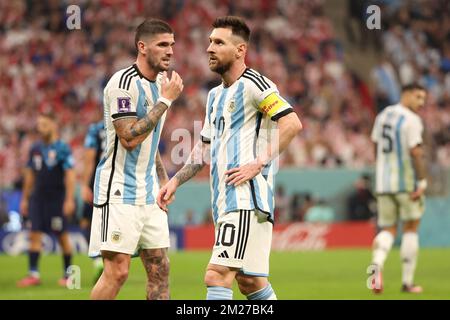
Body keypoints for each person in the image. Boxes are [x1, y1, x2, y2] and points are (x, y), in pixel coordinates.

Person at [157, 16, 302, 300]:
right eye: (210, 41)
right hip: (225, 202)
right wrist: (175, 181)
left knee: (217, 275)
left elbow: (292, 124)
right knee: (251, 282)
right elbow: (204, 150)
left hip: (245, 200)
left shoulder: (256, 85)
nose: (210, 48)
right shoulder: (214, 96)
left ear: (240, 50)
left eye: (219, 42)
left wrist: (258, 162)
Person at [88, 18, 183, 300]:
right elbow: (129, 139)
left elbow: (149, 144)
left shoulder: (160, 86)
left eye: (172, 45)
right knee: (117, 272)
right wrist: (164, 102)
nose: (170, 51)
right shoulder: (122, 82)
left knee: (160, 269)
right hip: (118, 191)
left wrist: (163, 181)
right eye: (162, 45)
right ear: (142, 47)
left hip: (149, 192)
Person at [369, 83, 427, 294]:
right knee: (411, 228)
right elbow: (416, 152)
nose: (421, 103)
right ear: (406, 94)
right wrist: (421, 181)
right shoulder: (412, 120)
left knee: (388, 229)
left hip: (384, 184)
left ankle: (376, 264)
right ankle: (407, 283)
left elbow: (375, 144)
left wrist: (381, 169)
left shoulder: (383, 115)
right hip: (406, 183)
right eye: (418, 97)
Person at [17, 111, 76, 287]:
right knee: (34, 234)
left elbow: (70, 175)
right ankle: (33, 274)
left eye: (44, 124)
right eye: (39, 125)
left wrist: (70, 199)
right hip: (37, 199)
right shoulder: (35, 148)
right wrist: (25, 199)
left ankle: (69, 276)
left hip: (56, 200)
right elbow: (30, 175)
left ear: (53, 125)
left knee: (62, 237)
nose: (40, 128)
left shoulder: (62, 148)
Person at [80, 117, 105, 283]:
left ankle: (97, 260)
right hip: (118, 182)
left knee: (86, 222)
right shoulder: (129, 122)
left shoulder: (96, 129)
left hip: (96, 181)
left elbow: (89, 160)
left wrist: (85, 185)